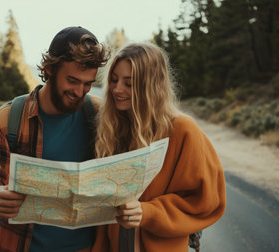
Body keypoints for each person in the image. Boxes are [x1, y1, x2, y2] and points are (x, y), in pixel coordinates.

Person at [0, 26, 109, 252]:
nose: (80, 91)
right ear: (50, 69)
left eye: (88, 83)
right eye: (72, 80)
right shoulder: (5, 120)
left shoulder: (101, 116)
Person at [92, 42, 226, 251]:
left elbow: (206, 201)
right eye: (114, 80)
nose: (117, 89)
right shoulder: (112, 127)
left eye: (129, 83)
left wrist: (148, 212)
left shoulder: (182, 129)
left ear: (150, 86)